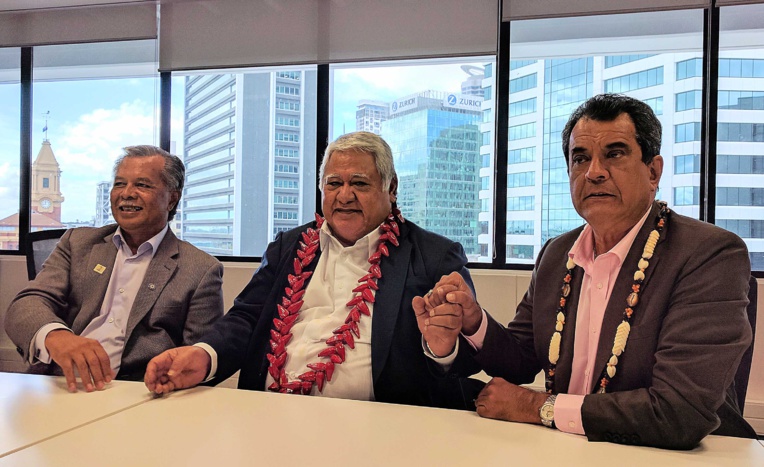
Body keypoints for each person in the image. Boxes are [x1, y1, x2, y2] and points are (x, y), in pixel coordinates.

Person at [414, 94, 756, 449]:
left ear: (653, 171)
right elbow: (521, 361)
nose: (594, 172)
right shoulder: (557, 253)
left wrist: (537, 406)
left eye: (614, 154)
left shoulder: (708, 254)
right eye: (580, 158)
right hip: (569, 449)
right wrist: (472, 321)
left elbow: (678, 411)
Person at [145, 131, 482, 409]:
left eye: (360, 183)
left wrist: (442, 349)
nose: (344, 196)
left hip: (377, 425)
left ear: (391, 188)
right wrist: (203, 356)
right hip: (268, 413)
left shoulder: (434, 256)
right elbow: (246, 318)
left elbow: (468, 357)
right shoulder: (289, 246)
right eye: (333, 183)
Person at [5, 145, 224, 393]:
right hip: (61, 384)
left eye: (142, 185)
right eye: (119, 184)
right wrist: (56, 336)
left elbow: (197, 359)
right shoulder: (78, 243)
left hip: (138, 393)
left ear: (172, 198)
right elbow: (26, 305)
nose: (127, 194)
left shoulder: (201, 269)